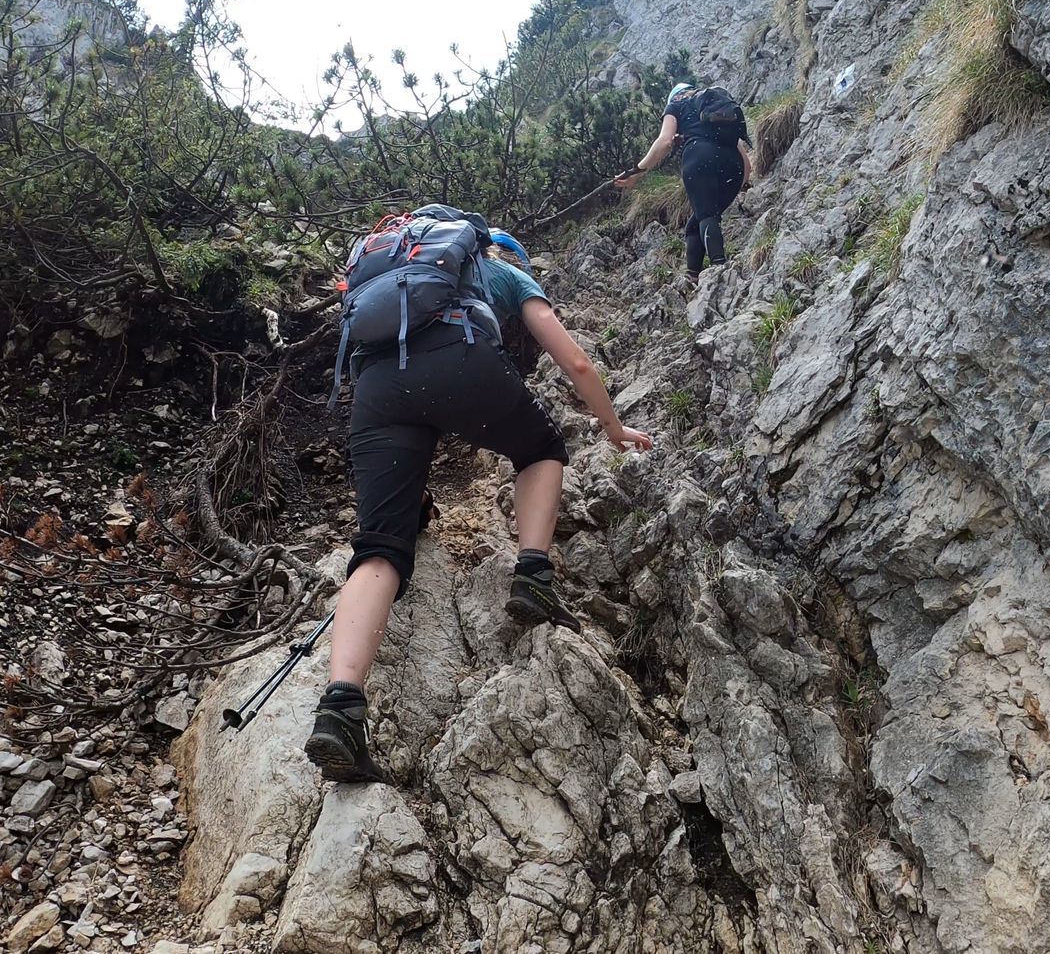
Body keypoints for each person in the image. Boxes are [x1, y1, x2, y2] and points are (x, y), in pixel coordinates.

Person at [305, 227, 653, 784]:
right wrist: (612, 428)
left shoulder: (391, 281)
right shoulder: (505, 272)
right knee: (540, 449)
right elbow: (577, 363)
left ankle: (341, 708)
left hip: (375, 387)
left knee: (379, 549)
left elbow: (408, 395)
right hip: (460, 361)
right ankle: (533, 574)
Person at [615, 82, 756, 283]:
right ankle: (692, 276)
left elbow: (665, 141)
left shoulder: (676, 103)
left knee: (706, 214)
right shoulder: (709, 107)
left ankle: (720, 270)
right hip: (734, 164)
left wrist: (638, 172)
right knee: (695, 223)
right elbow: (747, 165)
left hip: (699, 158)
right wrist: (735, 186)